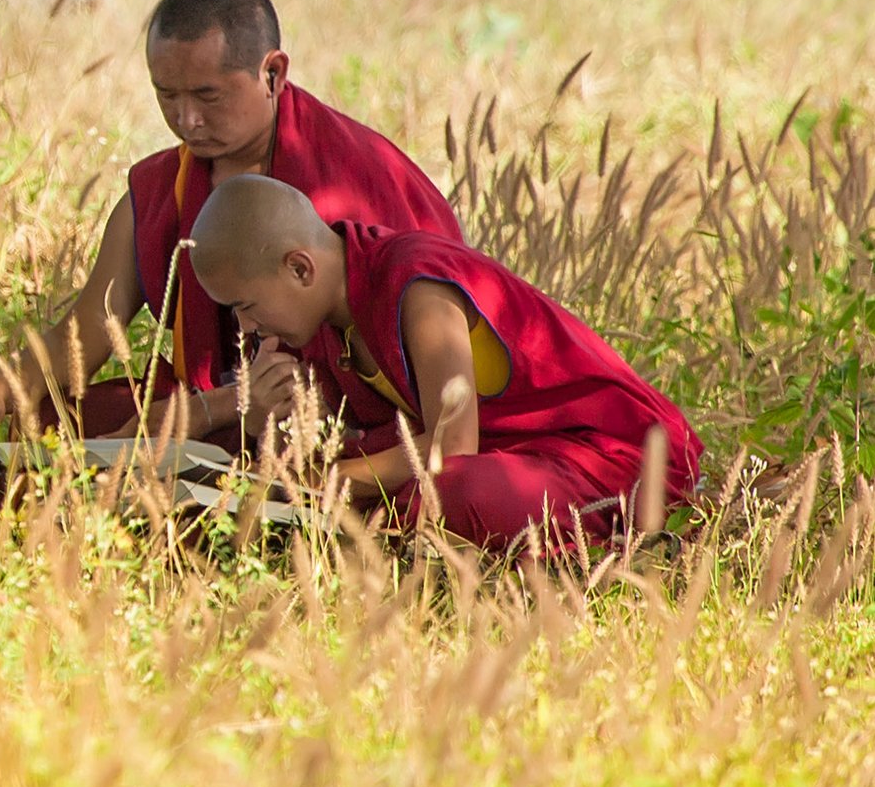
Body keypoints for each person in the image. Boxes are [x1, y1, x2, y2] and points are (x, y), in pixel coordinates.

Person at [0, 0, 463, 450]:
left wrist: (204, 413)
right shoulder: (161, 191)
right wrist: (0, 391)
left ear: (272, 73)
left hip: (342, 426)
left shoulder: (353, 178)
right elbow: (91, 324)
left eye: (207, 95)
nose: (187, 120)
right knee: (43, 426)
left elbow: (391, 367)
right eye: (166, 96)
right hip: (216, 415)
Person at [186, 174, 702, 549]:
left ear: (300, 268)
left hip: (618, 452)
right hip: (516, 452)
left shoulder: (415, 284)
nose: (246, 328)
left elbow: (453, 444)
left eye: (246, 308)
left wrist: (326, 482)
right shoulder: (319, 316)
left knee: (451, 495)